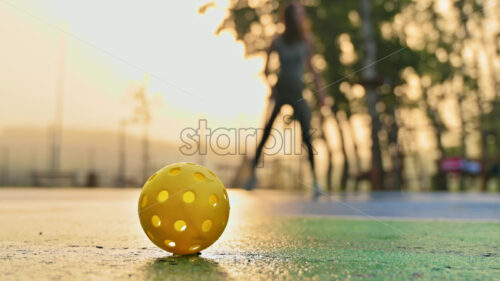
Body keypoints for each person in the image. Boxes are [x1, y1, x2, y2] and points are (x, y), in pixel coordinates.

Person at [244, 2, 326, 197]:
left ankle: (315, 182)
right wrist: (272, 87)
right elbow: (266, 69)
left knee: (307, 135)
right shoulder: (278, 40)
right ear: (290, 17)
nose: (301, 16)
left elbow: (313, 70)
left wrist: (322, 94)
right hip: (281, 92)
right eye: (298, 13)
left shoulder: (305, 40)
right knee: (266, 132)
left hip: (298, 92)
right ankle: (252, 176)